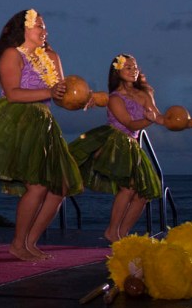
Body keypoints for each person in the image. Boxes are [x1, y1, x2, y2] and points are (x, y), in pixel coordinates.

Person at [0, 8, 83, 262]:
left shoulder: (52, 56)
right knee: (36, 187)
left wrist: (79, 100)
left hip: (44, 123)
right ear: (22, 29)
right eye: (38, 25)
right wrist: (50, 91)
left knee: (60, 188)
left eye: (45, 25)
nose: (44, 30)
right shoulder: (11, 55)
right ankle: (17, 243)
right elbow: (13, 93)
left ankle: (30, 242)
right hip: (18, 121)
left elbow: (59, 96)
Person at [68, 54, 162, 242]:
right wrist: (148, 120)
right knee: (127, 189)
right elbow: (129, 124)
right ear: (117, 72)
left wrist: (185, 122)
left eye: (135, 66)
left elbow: (158, 117)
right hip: (115, 143)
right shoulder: (114, 98)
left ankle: (122, 233)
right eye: (128, 67)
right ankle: (112, 231)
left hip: (133, 146)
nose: (133, 69)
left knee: (142, 195)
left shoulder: (145, 94)